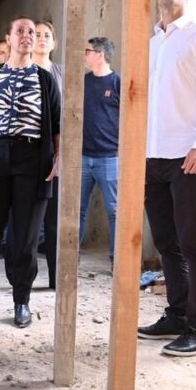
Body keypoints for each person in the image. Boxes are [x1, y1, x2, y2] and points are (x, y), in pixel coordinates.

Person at [137, 0, 196, 358]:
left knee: (193, 244)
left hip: (189, 154)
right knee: (167, 243)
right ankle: (176, 315)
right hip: (153, 156)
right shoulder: (151, 43)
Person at [0, 17, 61, 328]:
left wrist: (59, 157)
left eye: (32, 32)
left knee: (26, 237)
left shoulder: (45, 80)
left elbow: (57, 124)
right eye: (21, 31)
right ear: (8, 38)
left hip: (33, 160)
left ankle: (22, 301)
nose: (28, 36)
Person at [78, 36, 120, 261]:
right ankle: (71, 256)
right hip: (82, 157)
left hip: (109, 158)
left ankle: (116, 259)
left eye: (87, 51)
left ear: (100, 55)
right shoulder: (82, 83)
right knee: (76, 210)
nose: (84, 55)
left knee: (115, 211)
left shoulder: (117, 83)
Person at [33, 19, 63, 289]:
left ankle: (55, 279)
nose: (41, 38)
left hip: (57, 154)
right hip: (26, 154)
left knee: (54, 222)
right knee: (26, 220)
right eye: (37, 34)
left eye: (46, 35)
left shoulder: (63, 74)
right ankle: (22, 279)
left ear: (54, 43)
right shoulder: (20, 70)